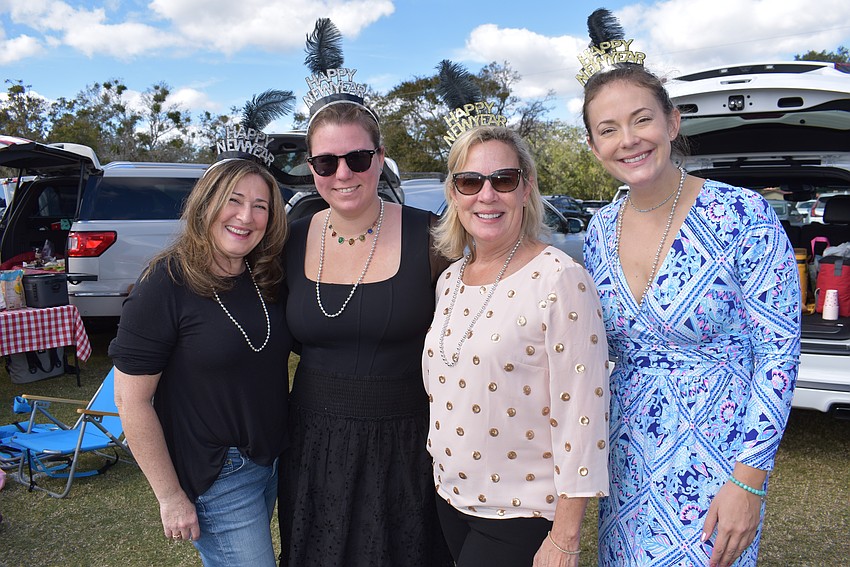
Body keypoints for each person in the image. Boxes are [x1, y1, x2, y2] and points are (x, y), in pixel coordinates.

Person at [580, 57, 801, 566]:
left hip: (717, 463)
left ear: (672, 122)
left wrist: (750, 480)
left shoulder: (742, 215)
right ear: (594, 148)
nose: (629, 139)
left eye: (641, 119)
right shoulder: (598, 231)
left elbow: (778, 353)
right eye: (608, 130)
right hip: (627, 462)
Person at [422, 125, 611, 567]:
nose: (486, 195)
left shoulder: (559, 278)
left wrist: (566, 536)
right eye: (470, 181)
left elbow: (583, 411)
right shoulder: (451, 279)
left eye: (502, 180)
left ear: (525, 188)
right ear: (453, 193)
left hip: (521, 509)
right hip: (451, 498)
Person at [277, 99, 453, 566]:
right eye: (325, 162)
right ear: (311, 167)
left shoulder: (433, 237)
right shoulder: (290, 240)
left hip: (408, 442)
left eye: (357, 158)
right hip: (314, 444)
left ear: (379, 158)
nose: (342, 174)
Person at [110, 158, 291, 566]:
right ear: (205, 203)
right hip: (217, 474)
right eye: (234, 199)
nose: (247, 216)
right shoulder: (165, 283)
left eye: (261, 205)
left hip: (270, 460)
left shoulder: (262, 273)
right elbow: (130, 400)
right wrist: (170, 496)